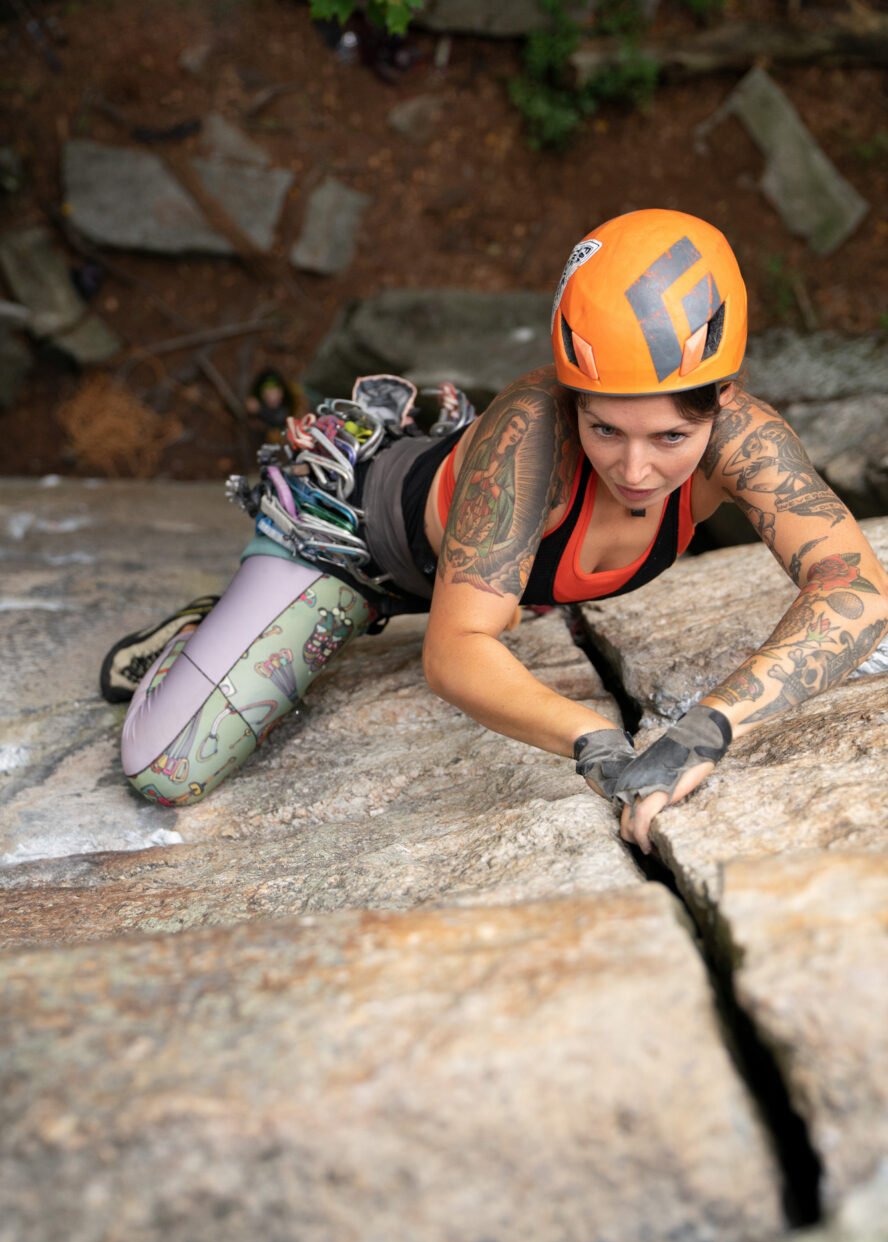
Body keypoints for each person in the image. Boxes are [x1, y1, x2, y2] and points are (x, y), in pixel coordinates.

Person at [106, 209, 888, 853]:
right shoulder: (530, 438)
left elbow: (858, 588)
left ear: (721, 402)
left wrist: (709, 728)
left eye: (670, 440)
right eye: (606, 429)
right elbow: (452, 652)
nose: (637, 469)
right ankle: (212, 630)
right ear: (573, 398)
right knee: (164, 766)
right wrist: (599, 744)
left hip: (494, 569)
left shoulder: (746, 440)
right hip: (356, 546)